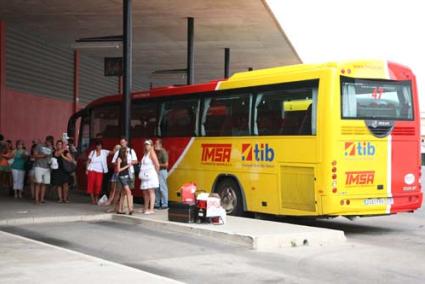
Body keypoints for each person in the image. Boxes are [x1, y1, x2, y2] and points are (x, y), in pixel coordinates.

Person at [86, 140, 110, 204]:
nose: (99, 147)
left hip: (100, 171)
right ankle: (92, 199)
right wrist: (86, 169)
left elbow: (113, 152)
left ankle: (96, 197)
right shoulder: (92, 152)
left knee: (98, 185)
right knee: (91, 185)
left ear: (101, 146)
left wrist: (117, 147)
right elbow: (88, 161)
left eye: (100, 145)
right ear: (96, 146)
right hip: (91, 170)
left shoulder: (104, 152)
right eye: (98, 145)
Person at [139, 139, 159, 214]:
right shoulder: (145, 153)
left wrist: (155, 173)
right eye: (145, 144)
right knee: (145, 191)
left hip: (151, 175)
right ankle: (145, 208)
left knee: (151, 191)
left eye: (148, 144)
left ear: (151, 146)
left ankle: (151, 209)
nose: (146, 146)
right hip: (145, 175)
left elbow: (157, 165)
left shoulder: (152, 153)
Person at [33, 135, 54, 204]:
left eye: (51, 142)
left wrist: (52, 162)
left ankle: (42, 199)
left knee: (44, 184)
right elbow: (34, 155)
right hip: (38, 166)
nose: (50, 143)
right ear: (46, 140)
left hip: (47, 167)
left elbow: (50, 157)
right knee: (38, 183)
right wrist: (43, 156)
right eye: (49, 142)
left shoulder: (51, 147)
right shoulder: (39, 146)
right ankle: (36, 199)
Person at [115, 147, 133, 214]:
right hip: (122, 177)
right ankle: (130, 208)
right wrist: (127, 166)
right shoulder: (119, 159)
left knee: (123, 193)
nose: (127, 153)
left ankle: (120, 209)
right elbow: (118, 169)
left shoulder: (125, 158)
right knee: (129, 192)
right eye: (126, 152)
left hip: (126, 176)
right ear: (123, 152)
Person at [154, 139, 169, 209]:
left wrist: (157, 165)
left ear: (160, 145)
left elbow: (166, 165)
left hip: (162, 171)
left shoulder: (163, 152)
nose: (155, 145)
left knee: (163, 188)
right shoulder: (155, 152)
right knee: (156, 188)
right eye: (155, 144)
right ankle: (157, 203)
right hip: (156, 171)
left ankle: (164, 204)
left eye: (157, 144)